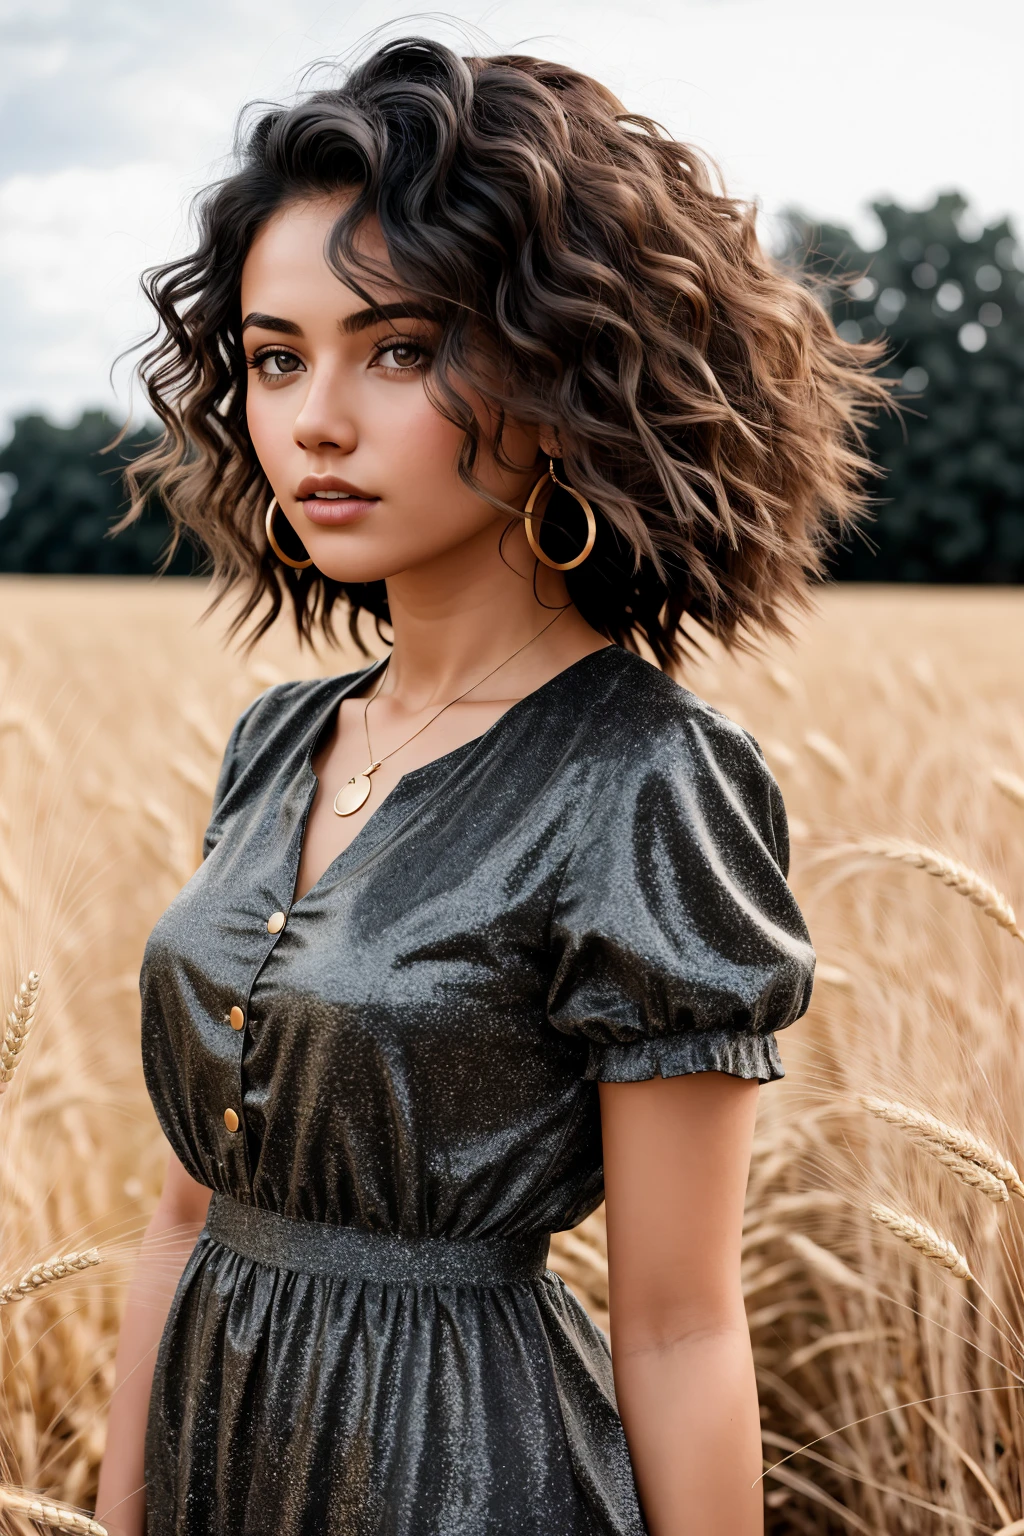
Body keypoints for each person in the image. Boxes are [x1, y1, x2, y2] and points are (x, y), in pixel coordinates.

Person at [95, 37, 886, 1536]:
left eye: (396, 349)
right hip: (217, 1464)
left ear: (563, 362)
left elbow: (679, 1326)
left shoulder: (646, 779)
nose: (315, 420)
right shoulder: (277, 741)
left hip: (466, 1483)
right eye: (277, 358)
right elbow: (187, 1213)